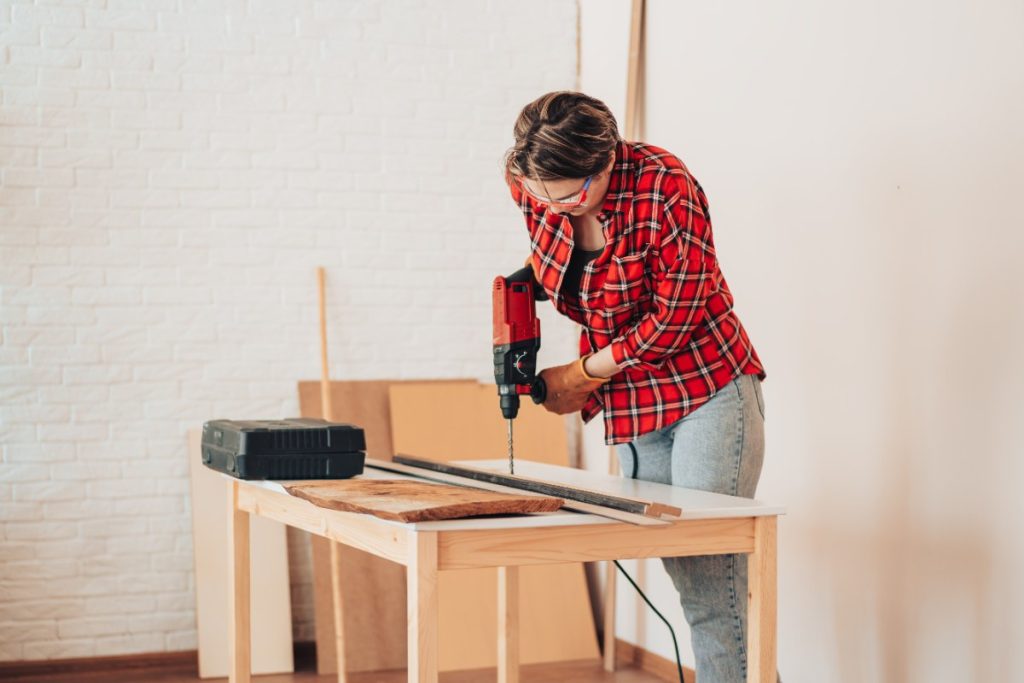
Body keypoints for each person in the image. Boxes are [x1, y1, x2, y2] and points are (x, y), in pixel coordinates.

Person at [503, 91, 772, 683]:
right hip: (632, 397)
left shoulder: (665, 186)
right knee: (685, 571)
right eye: (542, 195)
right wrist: (519, 314)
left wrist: (578, 376)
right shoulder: (528, 180)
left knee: (711, 573)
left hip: (706, 383)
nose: (557, 205)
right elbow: (561, 261)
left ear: (607, 162)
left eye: (574, 193)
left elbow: (677, 317)